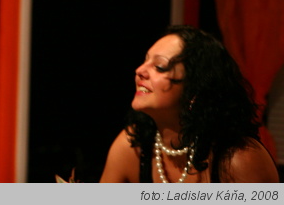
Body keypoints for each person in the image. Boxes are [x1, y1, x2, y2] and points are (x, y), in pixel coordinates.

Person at [100, 24, 279, 183]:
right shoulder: (133, 145)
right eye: (145, 60)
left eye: (160, 67)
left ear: (195, 90)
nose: (139, 71)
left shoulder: (239, 159)